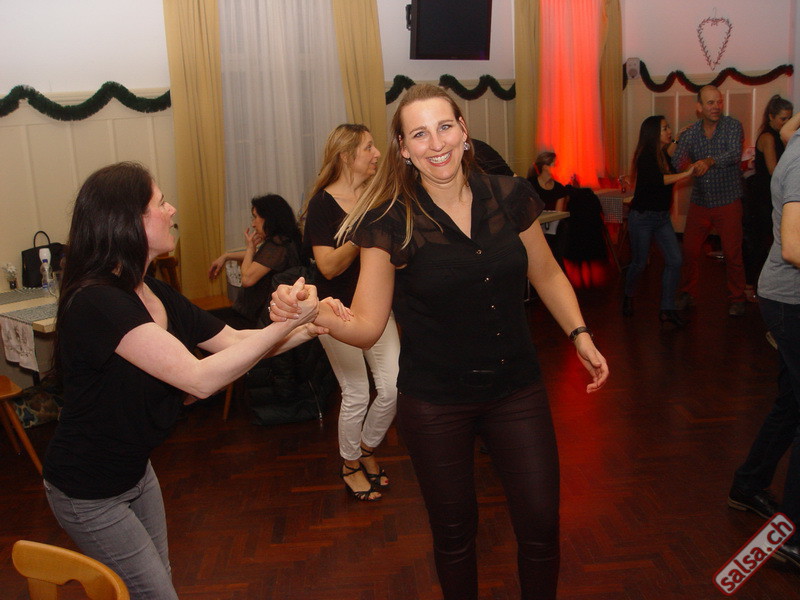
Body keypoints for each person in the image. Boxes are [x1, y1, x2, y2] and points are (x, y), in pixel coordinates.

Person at [271, 84, 609, 600]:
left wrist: (579, 333)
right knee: (455, 537)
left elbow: (545, 273)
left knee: (541, 526)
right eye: (419, 134)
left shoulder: (509, 195)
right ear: (403, 148)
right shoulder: (388, 220)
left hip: (516, 390)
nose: (436, 144)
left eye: (445, 127)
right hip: (436, 403)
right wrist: (315, 314)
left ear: (464, 131)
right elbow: (367, 324)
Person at [42, 162, 323, 599]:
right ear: (129, 222)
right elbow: (199, 379)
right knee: (155, 593)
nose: (172, 209)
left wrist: (309, 328)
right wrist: (289, 323)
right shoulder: (98, 301)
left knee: (158, 581)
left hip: (135, 471)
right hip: (88, 490)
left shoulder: (153, 291)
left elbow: (235, 342)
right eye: (160, 203)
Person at [303, 124, 400, 501]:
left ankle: (367, 448)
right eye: (368, 148)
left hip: (377, 305)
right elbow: (328, 267)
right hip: (335, 310)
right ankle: (349, 463)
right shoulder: (322, 204)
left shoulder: (378, 196)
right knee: (357, 391)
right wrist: (364, 234)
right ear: (346, 156)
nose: (377, 154)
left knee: (392, 388)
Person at [727, 116, 800, 572]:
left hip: (785, 298)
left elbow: (789, 127)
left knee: (792, 403)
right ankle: (793, 538)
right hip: (790, 301)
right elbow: (793, 246)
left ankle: (748, 484)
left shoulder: (794, 139)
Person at [672, 85, 746, 316]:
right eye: (710, 103)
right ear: (699, 107)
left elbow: (734, 153)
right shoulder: (691, 133)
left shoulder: (732, 126)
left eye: (719, 102)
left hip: (728, 199)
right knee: (690, 250)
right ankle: (687, 293)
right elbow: (677, 163)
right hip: (701, 201)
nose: (716, 107)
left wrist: (709, 161)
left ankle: (737, 298)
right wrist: (677, 140)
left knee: (732, 253)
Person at [623, 116, 694, 325]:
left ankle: (667, 308)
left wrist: (678, 138)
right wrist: (686, 173)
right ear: (654, 133)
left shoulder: (661, 154)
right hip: (643, 217)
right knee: (639, 263)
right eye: (665, 128)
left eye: (668, 127)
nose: (668, 131)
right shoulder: (645, 156)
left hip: (662, 218)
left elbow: (669, 154)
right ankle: (628, 295)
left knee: (675, 260)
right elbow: (659, 179)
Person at [208, 194, 303, 329]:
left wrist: (249, 249)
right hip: (258, 315)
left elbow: (247, 279)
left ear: (269, 218)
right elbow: (260, 258)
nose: (253, 223)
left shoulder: (277, 246)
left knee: (202, 323)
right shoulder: (286, 241)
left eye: (255, 217)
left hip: (255, 319)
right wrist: (226, 256)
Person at [743, 95, 793, 302]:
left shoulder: (779, 135)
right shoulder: (768, 137)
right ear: (771, 117)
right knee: (757, 244)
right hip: (762, 198)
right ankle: (748, 287)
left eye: (789, 118)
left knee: (768, 243)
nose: (786, 123)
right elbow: (774, 170)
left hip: (770, 197)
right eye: (783, 119)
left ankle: (766, 286)